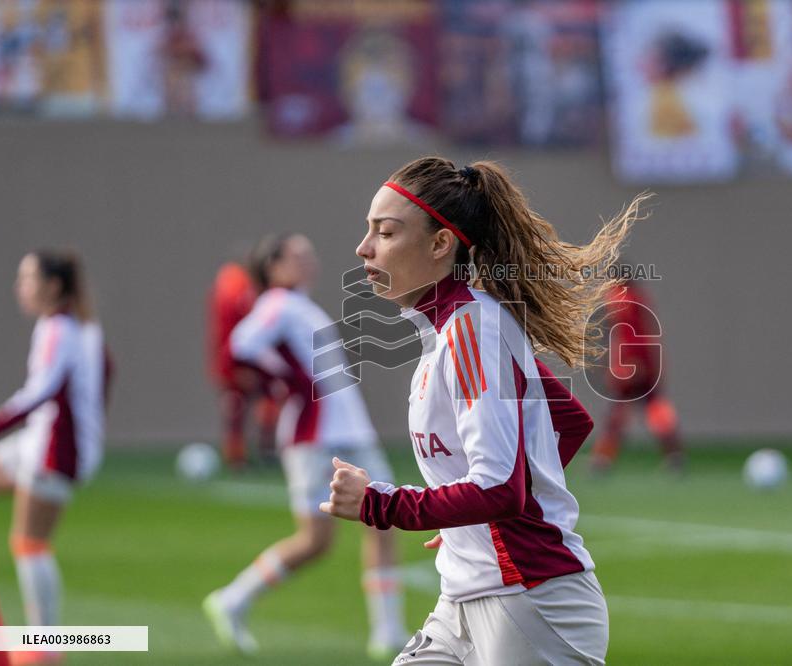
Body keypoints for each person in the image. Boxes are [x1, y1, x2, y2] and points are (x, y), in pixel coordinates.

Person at [322, 157, 649, 665]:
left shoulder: (472, 329)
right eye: (369, 231)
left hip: (530, 601)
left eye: (385, 233)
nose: (364, 248)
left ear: (439, 244)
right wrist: (465, 518)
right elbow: (569, 421)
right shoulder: (454, 328)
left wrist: (382, 504)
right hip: (465, 601)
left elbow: (500, 488)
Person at [203, 234, 408, 658]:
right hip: (318, 435)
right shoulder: (277, 304)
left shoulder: (298, 305)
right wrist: (289, 382)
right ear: (273, 266)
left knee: (371, 526)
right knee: (329, 536)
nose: (307, 261)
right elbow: (240, 346)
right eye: (296, 256)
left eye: (309, 254)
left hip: (345, 429)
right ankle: (233, 600)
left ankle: (387, 631)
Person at [0, 250, 111, 666]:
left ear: (53, 285)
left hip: (56, 452)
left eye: (27, 278)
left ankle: (44, 648)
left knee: (29, 541)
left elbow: (37, 394)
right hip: (44, 442)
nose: (19, 287)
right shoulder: (81, 327)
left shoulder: (60, 329)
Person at [589, 277, 684, 475]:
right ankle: (674, 456)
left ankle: (602, 461)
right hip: (647, 364)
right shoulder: (640, 297)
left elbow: (629, 335)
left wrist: (627, 364)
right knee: (655, 407)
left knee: (617, 414)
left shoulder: (621, 298)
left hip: (632, 365)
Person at [206, 261, 282, 470]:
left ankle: (265, 449)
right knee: (236, 403)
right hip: (236, 357)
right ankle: (237, 455)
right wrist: (237, 367)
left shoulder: (251, 289)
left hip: (251, 357)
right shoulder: (235, 286)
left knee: (268, 398)